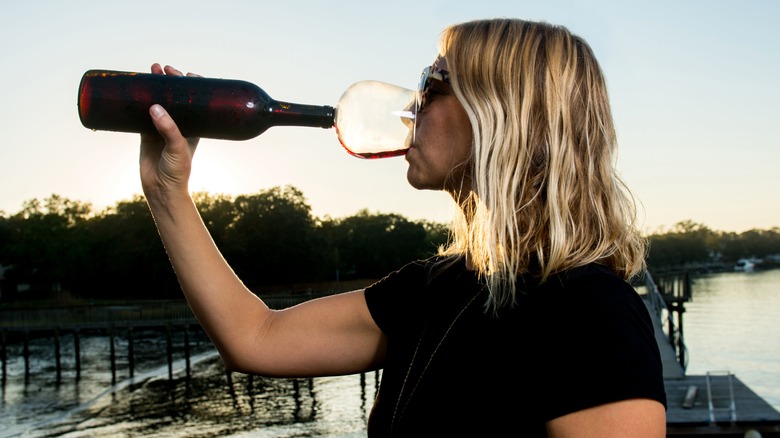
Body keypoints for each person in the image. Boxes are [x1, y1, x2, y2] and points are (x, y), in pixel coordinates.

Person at [139, 18, 666, 437]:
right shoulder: (434, 287)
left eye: (434, 84)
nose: (412, 107)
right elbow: (255, 338)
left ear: (504, 113)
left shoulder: (591, 312)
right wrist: (167, 192)